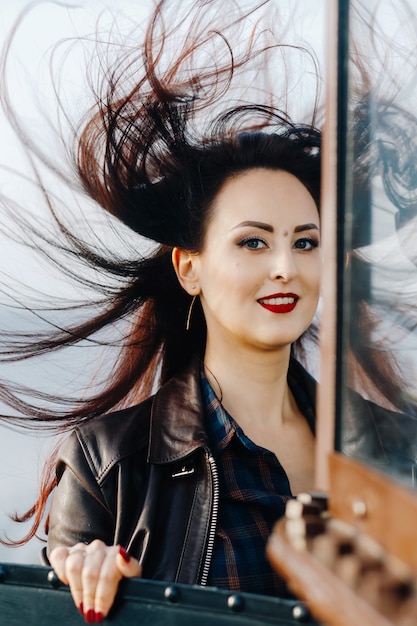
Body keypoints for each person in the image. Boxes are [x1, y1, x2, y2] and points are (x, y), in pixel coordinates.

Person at [0, 1, 323, 624]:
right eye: (253, 242)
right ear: (190, 268)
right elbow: (62, 595)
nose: (285, 266)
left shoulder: (393, 448)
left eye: (304, 242)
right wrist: (84, 581)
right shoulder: (108, 463)